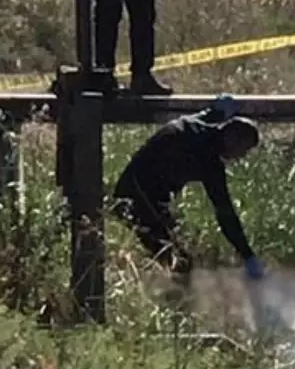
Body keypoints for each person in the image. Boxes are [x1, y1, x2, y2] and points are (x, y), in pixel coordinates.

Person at [112, 95, 265, 280]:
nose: (241, 156)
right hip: (135, 198)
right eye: (244, 149)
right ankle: (174, 302)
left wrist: (219, 108)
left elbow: (211, 114)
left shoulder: (198, 124)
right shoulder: (209, 160)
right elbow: (225, 212)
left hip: (144, 195)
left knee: (180, 248)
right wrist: (248, 255)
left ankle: (160, 287)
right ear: (233, 138)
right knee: (180, 263)